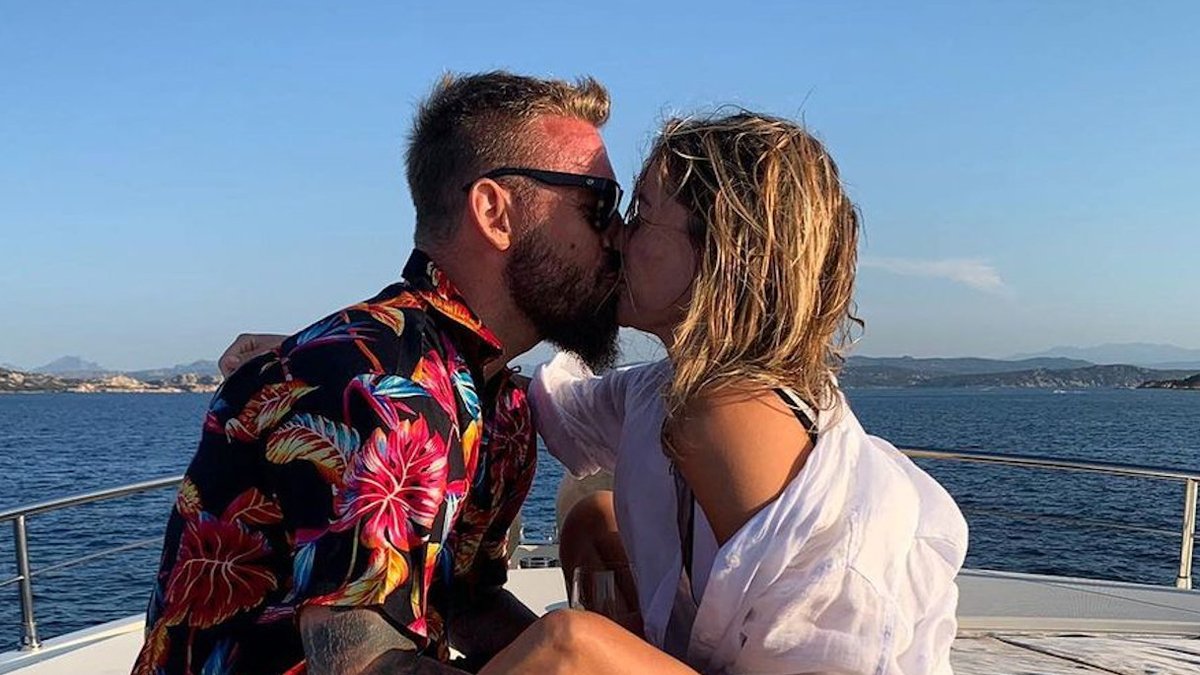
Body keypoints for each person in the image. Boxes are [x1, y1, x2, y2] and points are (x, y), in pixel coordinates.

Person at [133, 71, 626, 675]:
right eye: (599, 205)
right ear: (494, 213)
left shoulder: (499, 407)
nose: (619, 237)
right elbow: (359, 663)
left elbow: (465, 600)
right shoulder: (380, 387)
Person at [479, 112, 969, 674]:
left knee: (568, 646)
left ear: (723, 254)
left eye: (641, 215)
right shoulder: (664, 392)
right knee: (593, 519)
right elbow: (552, 406)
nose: (614, 236)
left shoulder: (734, 419)